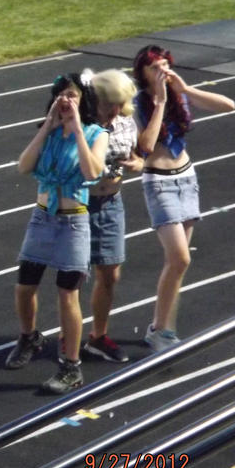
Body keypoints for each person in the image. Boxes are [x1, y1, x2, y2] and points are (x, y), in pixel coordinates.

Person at [4, 72, 108, 394]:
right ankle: (29, 337)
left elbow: (92, 171)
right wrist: (47, 127)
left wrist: (77, 129)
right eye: (62, 94)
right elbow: (24, 166)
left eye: (72, 95)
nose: (66, 100)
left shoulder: (95, 133)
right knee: (24, 286)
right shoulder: (48, 133)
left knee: (67, 295)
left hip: (73, 222)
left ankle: (70, 366)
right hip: (42, 218)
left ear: (83, 100)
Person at [132, 46, 235, 351]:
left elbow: (228, 105)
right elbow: (146, 146)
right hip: (160, 183)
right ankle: (158, 328)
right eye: (155, 67)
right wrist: (161, 101)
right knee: (180, 257)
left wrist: (185, 89)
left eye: (165, 64)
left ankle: (162, 328)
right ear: (143, 73)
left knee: (177, 264)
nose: (162, 71)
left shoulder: (180, 94)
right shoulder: (137, 103)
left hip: (187, 178)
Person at [82, 70, 143, 363]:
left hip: (111, 203)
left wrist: (138, 163)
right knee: (71, 277)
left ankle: (98, 336)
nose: (116, 110)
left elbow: (140, 154)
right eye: (110, 104)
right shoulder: (83, 124)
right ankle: (65, 341)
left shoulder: (125, 121)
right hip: (79, 204)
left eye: (120, 104)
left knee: (110, 273)